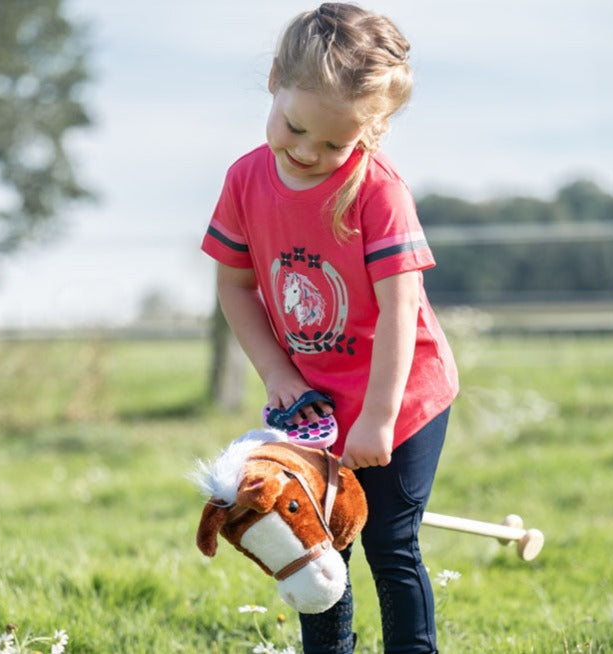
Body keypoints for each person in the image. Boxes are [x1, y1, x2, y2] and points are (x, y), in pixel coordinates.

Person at [201, 3, 459, 652]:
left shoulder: (378, 191)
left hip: (402, 399)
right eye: (294, 128)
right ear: (273, 82)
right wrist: (279, 373)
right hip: (313, 405)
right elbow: (235, 287)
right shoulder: (244, 181)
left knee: (389, 541)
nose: (309, 152)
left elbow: (402, 308)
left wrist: (377, 417)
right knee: (320, 545)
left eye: (334, 143)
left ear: (369, 131)